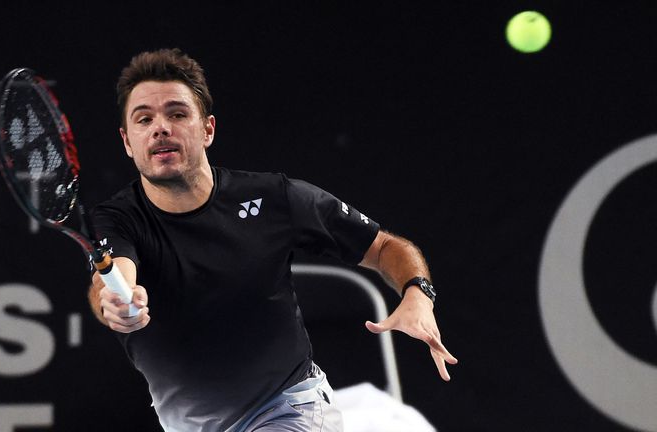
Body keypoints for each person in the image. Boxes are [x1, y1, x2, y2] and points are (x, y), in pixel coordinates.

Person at [88, 48, 457, 432]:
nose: (160, 128)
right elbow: (113, 281)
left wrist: (418, 292)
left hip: (289, 409)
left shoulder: (274, 198)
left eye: (177, 114)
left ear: (208, 129)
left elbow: (384, 247)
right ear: (128, 142)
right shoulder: (117, 219)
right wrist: (116, 303)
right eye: (144, 119)